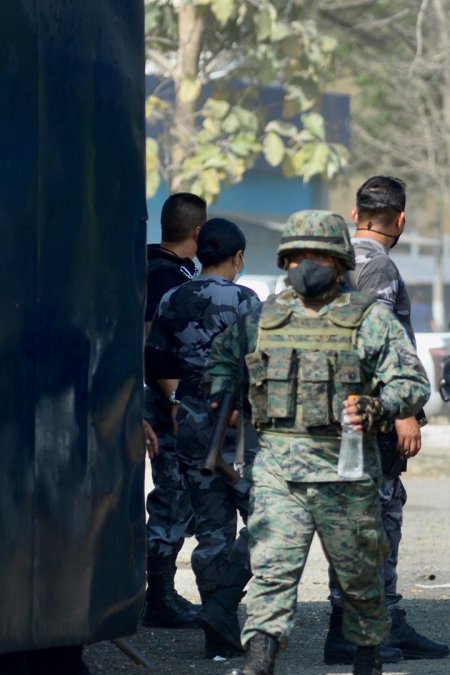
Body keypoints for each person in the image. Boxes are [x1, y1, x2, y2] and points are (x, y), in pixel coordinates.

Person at [205, 210, 430, 675]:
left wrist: (378, 407)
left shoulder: (367, 320)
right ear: (287, 260)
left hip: (344, 474)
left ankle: (367, 660)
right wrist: (221, 395)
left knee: (360, 582)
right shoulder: (264, 318)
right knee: (271, 572)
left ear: (340, 262)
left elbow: (411, 382)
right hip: (279, 474)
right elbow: (223, 358)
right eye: (301, 256)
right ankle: (259, 660)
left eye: (320, 256)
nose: (309, 264)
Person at [318, 176, 448, 664]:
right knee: (377, 519)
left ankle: (376, 622)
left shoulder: (330, 260)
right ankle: (358, 629)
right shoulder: (379, 268)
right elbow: (382, 344)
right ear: (400, 219)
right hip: (373, 417)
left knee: (355, 519)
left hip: (337, 415)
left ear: (356, 215)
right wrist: (405, 412)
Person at [146, 218, 261, 658]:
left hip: (190, 421)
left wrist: (179, 404)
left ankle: (218, 628)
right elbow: (258, 364)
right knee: (266, 518)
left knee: (212, 529)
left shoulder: (175, 296)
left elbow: (156, 360)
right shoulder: (246, 301)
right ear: (238, 256)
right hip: (238, 426)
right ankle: (224, 605)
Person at [143, 191, 207, 629]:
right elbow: (154, 343)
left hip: (160, 400)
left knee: (175, 497)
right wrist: (174, 401)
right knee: (172, 498)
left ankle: (160, 595)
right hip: (163, 402)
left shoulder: (157, 266)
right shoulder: (166, 277)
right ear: (198, 232)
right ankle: (159, 599)